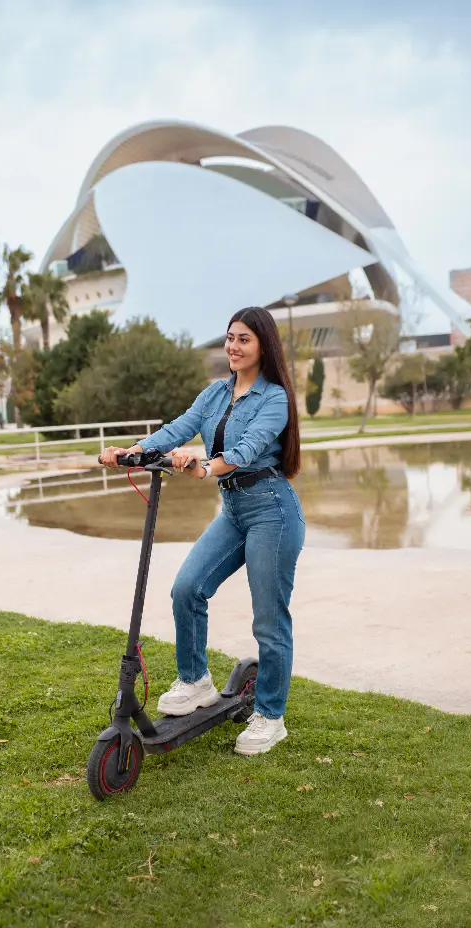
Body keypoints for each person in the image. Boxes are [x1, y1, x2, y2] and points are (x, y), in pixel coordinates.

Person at [100, 306, 305, 755]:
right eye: (229, 337)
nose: (233, 346)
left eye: (244, 339)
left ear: (263, 346)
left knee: (269, 620)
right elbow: (179, 429)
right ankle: (196, 681)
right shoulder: (216, 393)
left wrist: (206, 466)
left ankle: (270, 716)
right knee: (187, 589)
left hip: (272, 510)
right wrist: (133, 451)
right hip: (233, 509)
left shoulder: (274, 399)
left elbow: (248, 449)